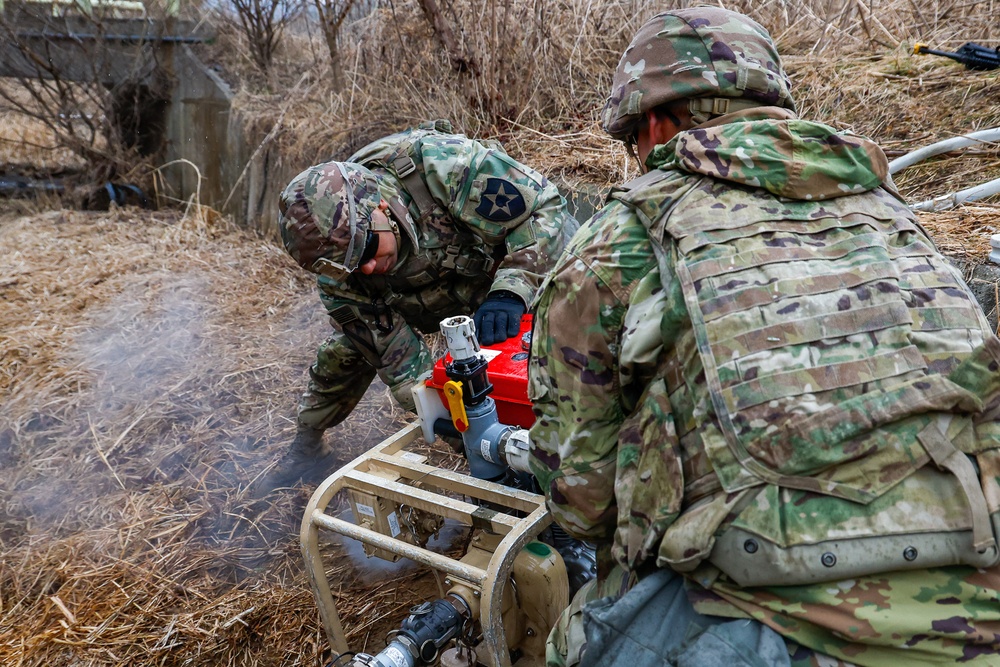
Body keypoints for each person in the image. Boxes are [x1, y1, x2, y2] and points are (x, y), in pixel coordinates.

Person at [528, 8, 1000, 667]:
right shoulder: (888, 210)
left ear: (655, 124)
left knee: (572, 639)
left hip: (777, 620)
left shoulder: (618, 240)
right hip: (980, 595)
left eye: (633, 139)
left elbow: (583, 499)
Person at [269, 120, 578, 488]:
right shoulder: (341, 280)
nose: (367, 268)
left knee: (559, 318)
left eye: (367, 249)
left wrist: (512, 289)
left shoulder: (441, 166)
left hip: (506, 270)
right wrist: (476, 437)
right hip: (425, 300)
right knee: (346, 352)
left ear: (380, 206)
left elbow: (543, 209)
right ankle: (307, 446)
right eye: (352, 268)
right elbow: (406, 373)